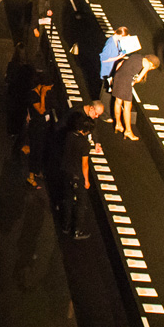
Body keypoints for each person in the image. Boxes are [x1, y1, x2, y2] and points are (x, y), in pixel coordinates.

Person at [61, 101, 104, 238]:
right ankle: (77, 230)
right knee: (81, 203)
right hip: (77, 174)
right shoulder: (84, 144)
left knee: (67, 199)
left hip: (65, 170)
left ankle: (65, 226)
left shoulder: (69, 135)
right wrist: (86, 180)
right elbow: (85, 164)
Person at [109, 50, 159, 139]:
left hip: (118, 77)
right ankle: (128, 131)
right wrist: (132, 82)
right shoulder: (147, 64)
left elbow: (121, 64)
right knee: (127, 107)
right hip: (125, 81)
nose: (150, 69)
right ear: (152, 64)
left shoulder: (136, 56)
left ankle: (118, 124)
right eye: (152, 68)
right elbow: (139, 79)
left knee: (118, 102)